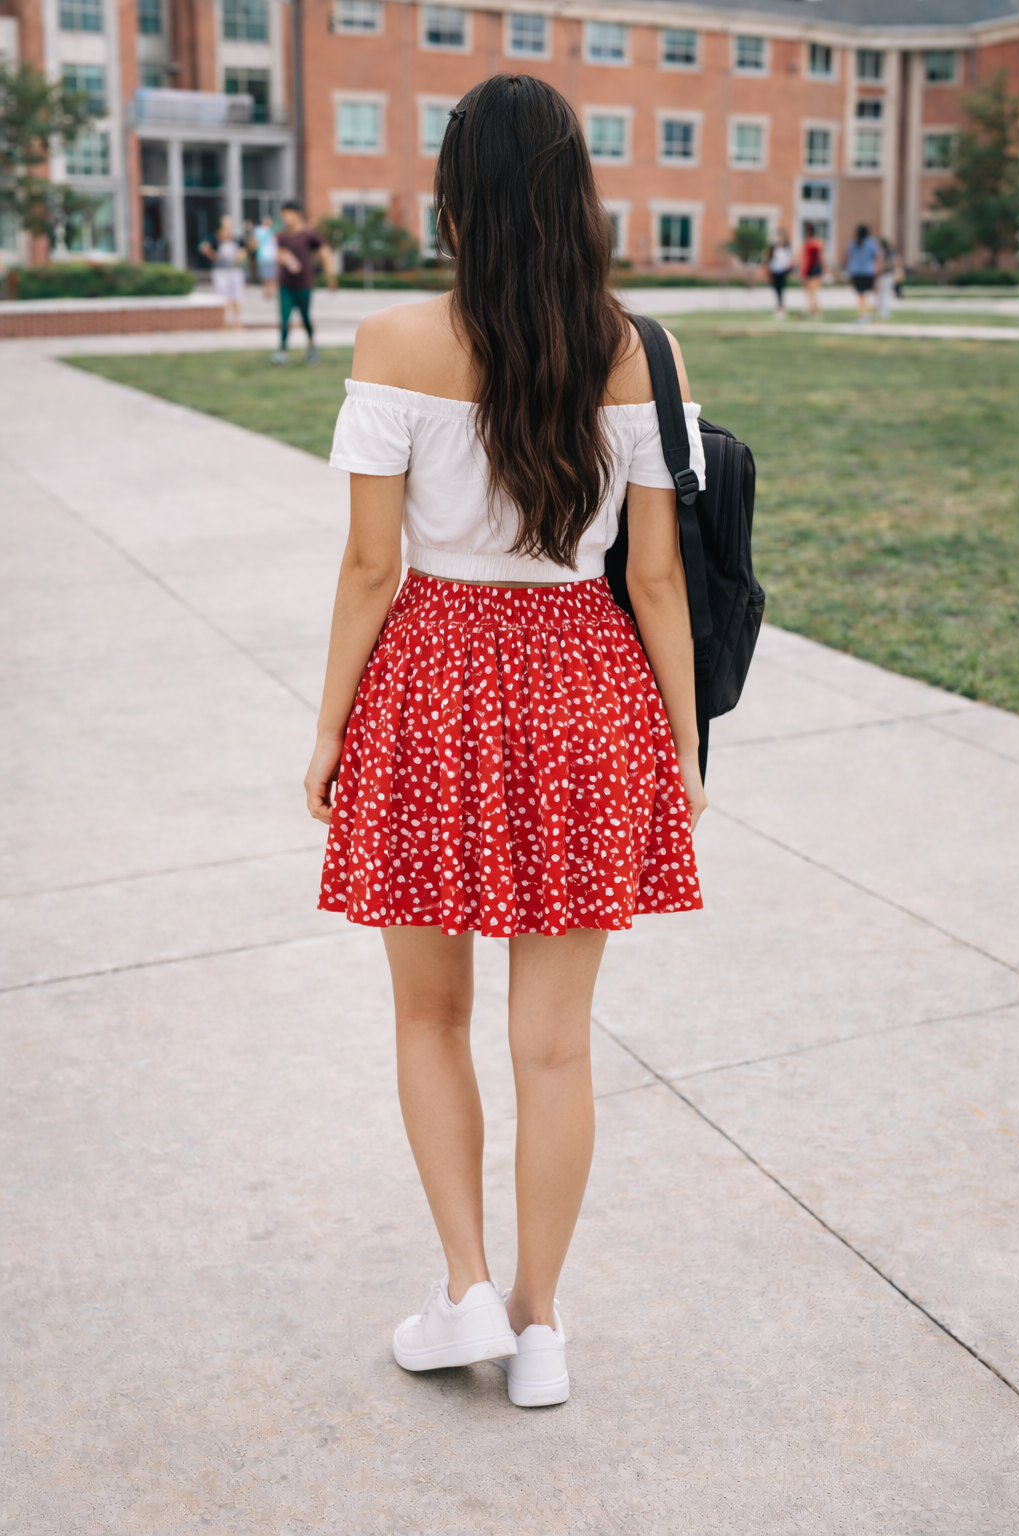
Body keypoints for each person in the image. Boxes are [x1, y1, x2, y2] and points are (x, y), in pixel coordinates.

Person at [304, 75, 707, 1409]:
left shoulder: (393, 338)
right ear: (573, 193)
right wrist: (682, 748)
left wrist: (327, 733)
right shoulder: (638, 350)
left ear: (457, 198)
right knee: (557, 1044)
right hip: (589, 700)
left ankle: (466, 1289)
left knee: (430, 1013)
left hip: (431, 687)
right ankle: (539, 1327)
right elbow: (656, 580)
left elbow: (371, 569)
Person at [273, 199, 335, 365]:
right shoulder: (282, 236)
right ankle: (282, 352)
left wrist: (331, 276)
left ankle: (312, 348)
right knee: (284, 319)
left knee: (305, 317)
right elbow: (278, 254)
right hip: (285, 285)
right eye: (283, 214)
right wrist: (286, 259)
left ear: (297, 214)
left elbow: (325, 253)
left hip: (304, 284)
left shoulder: (309, 235)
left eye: (287, 214)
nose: (285, 218)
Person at [199, 213, 245, 329]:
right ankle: (223, 322)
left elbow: (243, 251)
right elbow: (203, 247)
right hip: (220, 271)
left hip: (234, 270)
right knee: (222, 297)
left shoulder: (236, 238)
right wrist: (214, 256)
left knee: (237, 296)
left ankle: (235, 322)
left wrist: (239, 257)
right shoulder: (214, 237)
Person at [846, 224, 882, 323]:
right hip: (868, 272)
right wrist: (878, 270)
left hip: (856, 272)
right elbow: (877, 257)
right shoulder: (871, 243)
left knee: (861, 295)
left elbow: (848, 257)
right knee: (871, 293)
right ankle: (871, 313)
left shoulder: (852, 243)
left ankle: (863, 314)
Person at [799, 222, 826, 319]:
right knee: (810, 294)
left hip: (813, 270)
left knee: (812, 294)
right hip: (810, 270)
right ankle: (808, 312)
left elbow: (819, 258)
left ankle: (815, 313)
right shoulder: (812, 243)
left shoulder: (812, 244)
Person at [251, 214, 279, 300]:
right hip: (263, 256)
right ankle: (267, 291)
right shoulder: (260, 231)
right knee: (265, 275)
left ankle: (272, 291)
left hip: (273, 256)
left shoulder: (272, 231)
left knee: (273, 275)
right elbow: (255, 243)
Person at [767, 230, 793, 319]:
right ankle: (778, 307)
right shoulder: (773, 248)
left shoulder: (786, 249)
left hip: (782, 271)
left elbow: (788, 261)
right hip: (774, 271)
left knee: (781, 290)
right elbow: (769, 259)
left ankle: (781, 308)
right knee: (776, 289)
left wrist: (788, 270)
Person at [877, 237, 897, 320]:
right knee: (882, 295)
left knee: (885, 294)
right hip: (882, 276)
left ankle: (884, 313)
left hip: (887, 275)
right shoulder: (883, 253)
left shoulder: (888, 253)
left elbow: (891, 264)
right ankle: (882, 312)